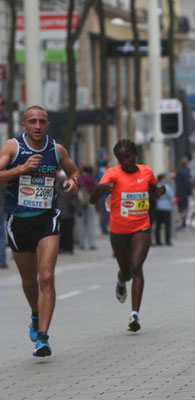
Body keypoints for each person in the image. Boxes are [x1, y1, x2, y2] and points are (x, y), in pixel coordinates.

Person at [0, 105, 80, 357]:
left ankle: (43, 338)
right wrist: (20, 169)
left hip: (48, 218)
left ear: (47, 125)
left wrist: (73, 181)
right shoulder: (13, 147)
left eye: (41, 121)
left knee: (46, 276)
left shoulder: (56, 150)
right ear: (23, 125)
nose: (37, 126)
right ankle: (35, 314)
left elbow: (74, 170)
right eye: (32, 121)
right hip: (18, 220)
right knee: (28, 280)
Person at [90, 140, 165, 332]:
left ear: (135, 155)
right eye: (121, 158)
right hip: (118, 230)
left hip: (141, 227)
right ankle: (121, 281)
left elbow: (152, 193)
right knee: (126, 271)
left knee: (136, 267)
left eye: (128, 157)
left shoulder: (146, 172)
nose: (126, 161)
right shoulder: (112, 173)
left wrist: (158, 192)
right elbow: (92, 200)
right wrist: (99, 189)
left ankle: (134, 315)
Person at [76, 165, 97, 250]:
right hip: (90, 202)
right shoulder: (91, 179)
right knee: (90, 222)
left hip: (80, 203)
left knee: (80, 223)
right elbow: (95, 190)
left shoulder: (79, 179)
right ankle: (91, 243)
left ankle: (81, 243)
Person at [56, 170, 77, 254]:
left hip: (68, 213)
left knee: (68, 232)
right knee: (60, 232)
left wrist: (77, 209)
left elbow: (75, 199)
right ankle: (61, 247)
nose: (62, 180)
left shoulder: (70, 186)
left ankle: (69, 247)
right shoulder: (56, 187)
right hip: (59, 213)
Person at [154, 173, 174, 246]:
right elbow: (171, 195)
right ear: (162, 179)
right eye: (165, 178)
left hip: (157, 208)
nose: (166, 180)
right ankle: (167, 241)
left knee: (158, 225)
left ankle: (158, 241)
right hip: (166, 208)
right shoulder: (166, 187)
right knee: (167, 225)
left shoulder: (155, 186)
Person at [175, 157, 192, 228]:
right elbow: (187, 183)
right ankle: (183, 224)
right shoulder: (186, 172)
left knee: (180, 209)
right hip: (184, 194)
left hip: (179, 193)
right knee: (185, 209)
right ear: (187, 164)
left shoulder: (179, 171)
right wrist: (190, 192)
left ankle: (181, 223)